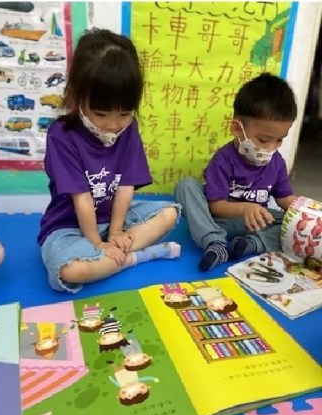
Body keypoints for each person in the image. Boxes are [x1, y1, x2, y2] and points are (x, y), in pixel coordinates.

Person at [37, 29, 181, 294]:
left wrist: (115, 233)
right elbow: (82, 199)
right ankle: (137, 257)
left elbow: (126, 186)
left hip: (116, 218)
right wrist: (96, 244)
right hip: (70, 227)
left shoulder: (129, 128)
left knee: (169, 213)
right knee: (70, 271)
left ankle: (111, 259)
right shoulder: (62, 134)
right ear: (76, 95)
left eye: (124, 113)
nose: (114, 125)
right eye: (101, 113)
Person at [175, 73, 300, 271]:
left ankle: (251, 244)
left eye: (279, 140)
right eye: (263, 140)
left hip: (255, 224)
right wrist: (244, 208)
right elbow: (216, 205)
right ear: (237, 129)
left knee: (293, 226)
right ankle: (215, 243)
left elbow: (285, 200)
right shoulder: (223, 159)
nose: (271, 147)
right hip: (217, 221)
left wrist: (308, 211)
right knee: (186, 186)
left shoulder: (276, 162)